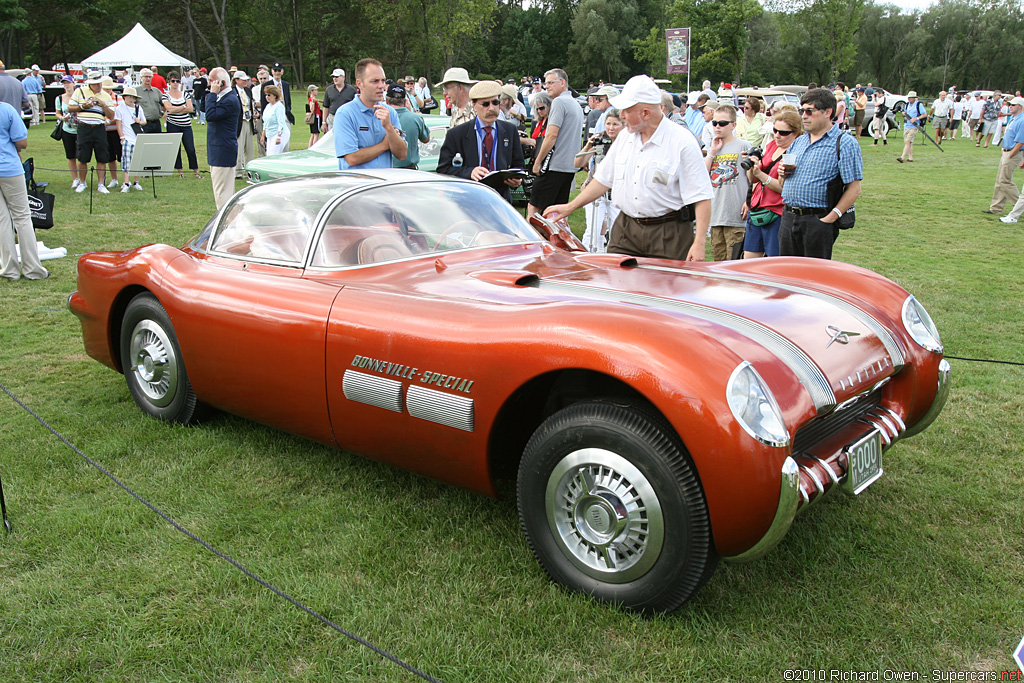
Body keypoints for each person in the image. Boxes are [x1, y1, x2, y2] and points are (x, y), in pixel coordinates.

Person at [544, 75, 712, 262]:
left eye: (626, 111)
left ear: (646, 113)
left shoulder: (682, 142)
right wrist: (570, 207)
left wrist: (699, 243)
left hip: (669, 233)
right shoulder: (625, 138)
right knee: (615, 283)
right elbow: (603, 179)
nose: (621, 115)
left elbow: (701, 196)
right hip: (625, 229)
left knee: (662, 288)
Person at [777, 88, 863, 260]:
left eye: (810, 111)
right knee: (787, 275)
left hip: (817, 219)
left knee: (813, 277)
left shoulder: (844, 143)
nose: (804, 116)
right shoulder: (799, 141)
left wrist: (831, 217)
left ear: (828, 112)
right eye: (802, 111)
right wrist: (782, 173)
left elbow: (854, 188)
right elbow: (781, 183)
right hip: (788, 217)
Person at [437, 80, 524, 203]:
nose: (492, 108)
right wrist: (470, 172)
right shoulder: (456, 134)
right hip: (468, 202)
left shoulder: (510, 130)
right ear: (474, 105)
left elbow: (518, 165)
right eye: (485, 104)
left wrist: (516, 180)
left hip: (500, 201)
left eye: (495, 102)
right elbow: (443, 169)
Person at [0, 101, 48, 280]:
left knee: (2, 220)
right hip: (9, 168)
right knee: (22, 217)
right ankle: (32, 269)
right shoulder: (6, 109)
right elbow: (22, 142)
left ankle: (9, 269)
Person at [527, 68, 583, 217]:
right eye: (546, 83)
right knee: (556, 213)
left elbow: (551, 136)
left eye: (551, 82)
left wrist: (537, 162)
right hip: (569, 167)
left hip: (554, 165)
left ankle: (533, 240)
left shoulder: (559, 102)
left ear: (563, 82)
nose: (547, 86)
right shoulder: (576, 104)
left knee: (534, 208)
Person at [744, 109, 800, 258]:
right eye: (775, 130)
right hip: (757, 208)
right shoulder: (771, 146)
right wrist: (752, 167)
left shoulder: (795, 154)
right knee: (748, 261)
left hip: (777, 213)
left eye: (783, 133)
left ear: (796, 133)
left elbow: (785, 189)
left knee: (773, 262)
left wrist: (761, 175)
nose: (777, 135)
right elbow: (753, 179)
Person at [333, 58, 407, 170]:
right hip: (359, 186)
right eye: (375, 81)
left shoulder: (389, 113)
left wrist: (389, 128)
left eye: (383, 81)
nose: (381, 86)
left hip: (384, 185)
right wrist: (384, 145)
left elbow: (402, 155)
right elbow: (352, 158)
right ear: (359, 83)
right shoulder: (345, 114)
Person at [704, 104, 751, 261]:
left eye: (722, 123)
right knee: (718, 263)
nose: (717, 127)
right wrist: (712, 152)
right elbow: (702, 175)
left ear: (733, 125)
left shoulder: (744, 146)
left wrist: (749, 201)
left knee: (734, 263)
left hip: (736, 215)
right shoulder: (714, 148)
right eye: (714, 123)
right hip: (716, 214)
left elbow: (753, 180)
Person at [575, 108, 623, 252]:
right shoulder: (600, 139)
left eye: (615, 124)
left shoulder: (628, 142)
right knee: (593, 229)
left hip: (617, 192)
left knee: (617, 230)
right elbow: (577, 163)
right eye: (608, 124)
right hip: (595, 191)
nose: (611, 128)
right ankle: (589, 257)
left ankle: (612, 257)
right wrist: (589, 145)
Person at [68, 71, 115, 194]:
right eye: (95, 84)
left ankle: (101, 184)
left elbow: (111, 115)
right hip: (84, 127)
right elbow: (70, 107)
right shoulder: (80, 91)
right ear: (90, 84)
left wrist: (103, 104)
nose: (98, 85)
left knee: (102, 157)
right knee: (83, 157)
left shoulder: (106, 95)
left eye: (99, 83)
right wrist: (83, 106)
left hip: (99, 127)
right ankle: (82, 182)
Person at [205, 67, 240, 210]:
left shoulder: (230, 100)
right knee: (222, 191)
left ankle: (225, 224)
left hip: (222, 150)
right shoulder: (223, 97)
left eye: (211, 81)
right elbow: (204, 107)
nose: (209, 84)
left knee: (222, 194)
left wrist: (213, 94)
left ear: (220, 83)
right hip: (218, 149)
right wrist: (210, 94)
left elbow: (210, 115)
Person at [983, 96, 1024, 218]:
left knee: (1004, 181)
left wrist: (1011, 154)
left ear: (1020, 107)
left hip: (1013, 152)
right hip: (1006, 150)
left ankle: (1019, 206)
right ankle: (996, 207)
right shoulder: (1013, 118)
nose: (1010, 106)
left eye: (1013, 104)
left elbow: (1021, 141)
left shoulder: (1022, 120)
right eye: (1010, 104)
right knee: (999, 181)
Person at [163, 71, 201, 178]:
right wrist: (183, 107)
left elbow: (191, 108)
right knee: (176, 149)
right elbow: (169, 109)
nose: (175, 83)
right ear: (169, 82)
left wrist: (177, 109)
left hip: (186, 124)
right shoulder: (165, 95)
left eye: (177, 81)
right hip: (173, 124)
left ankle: (196, 171)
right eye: (173, 81)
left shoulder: (185, 93)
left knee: (190, 148)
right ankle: (180, 172)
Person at [113, 86, 147, 192]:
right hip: (127, 138)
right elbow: (118, 125)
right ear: (125, 97)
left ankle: (136, 181)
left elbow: (144, 121)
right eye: (129, 97)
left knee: (137, 160)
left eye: (133, 97)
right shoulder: (119, 109)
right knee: (126, 161)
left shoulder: (138, 108)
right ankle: (126, 182)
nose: (131, 99)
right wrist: (122, 137)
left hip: (137, 137)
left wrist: (139, 121)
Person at [388, 83, 429, 170]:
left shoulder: (379, 118)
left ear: (387, 101)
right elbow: (426, 139)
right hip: (410, 170)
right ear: (405, 101)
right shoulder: (416, 118)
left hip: (387, 171)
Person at [56, 75, 86, 190]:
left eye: (68, 82)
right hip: (66, 130)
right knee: (70, 155)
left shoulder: (80, 96)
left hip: (80, 129)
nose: (67, 85)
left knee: (81, 156)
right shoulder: (59, 98)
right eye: (64, 83)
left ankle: (82, 179)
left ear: (73, 83)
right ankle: (75, 179)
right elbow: (57, 112)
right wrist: (61, 118)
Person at [101, 77, 124, 188]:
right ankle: (114, 179)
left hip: (117, 130)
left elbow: (120, 114)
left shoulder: (118, 98)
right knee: (110, 156)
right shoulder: (99, 98)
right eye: (106, 89)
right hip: (104, 131)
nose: (108, 91)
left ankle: (126, 178)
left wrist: (110, 120)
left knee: (122, 155)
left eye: (110, 89)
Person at [233, 71, 255, 178]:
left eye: (246, 80)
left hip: (248, 121)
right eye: (243, 80)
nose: (245, 81)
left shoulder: (248, 91)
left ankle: (248, 171)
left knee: (250, 148)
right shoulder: (233, 92)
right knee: (239, 148)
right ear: (236, 80)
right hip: (239, 123)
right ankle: (237, 172)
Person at [322, 68, 356, 132]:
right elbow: (325, 106)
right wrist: (324, 122)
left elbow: (356, 107)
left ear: (343, 77)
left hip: (346, 118)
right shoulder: (329, 89)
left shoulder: (352, 90)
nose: (335, 78)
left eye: (337, 77)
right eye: (333, 77)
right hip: (332, 118)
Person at [897, 90, 926, 163]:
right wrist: (904, 113)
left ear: (914, 98)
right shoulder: (907, 105)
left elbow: (924, 114)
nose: (909, 99)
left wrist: (916, 118)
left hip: (914, 126)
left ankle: (902, 157)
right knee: (908, 142)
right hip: (907, 125)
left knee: (907, 141)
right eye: (908, 97)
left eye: (910, 97)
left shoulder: (918, 105)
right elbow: (905, 113)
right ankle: (910, 157)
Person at [261, 84, 290, 156]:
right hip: (270, 133)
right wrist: (263, 136)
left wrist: (278, 137)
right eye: (266, 95)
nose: (267, 97)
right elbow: (266, 122)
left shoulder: (279, 106)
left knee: (274, 154)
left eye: (269, 95)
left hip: (279, 133)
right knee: (268, 154)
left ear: (275, 95)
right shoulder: (268, 106)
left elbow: (281, 123)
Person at [137, 68, 164, 133]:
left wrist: (162, 112)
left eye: (150, 77)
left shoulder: (156, 91)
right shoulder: (136, 90)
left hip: (156, 122)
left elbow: (165, 102)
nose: (148, 79)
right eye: (146, 77)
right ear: (141, 78)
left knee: (157, 141)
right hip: (144, 123)